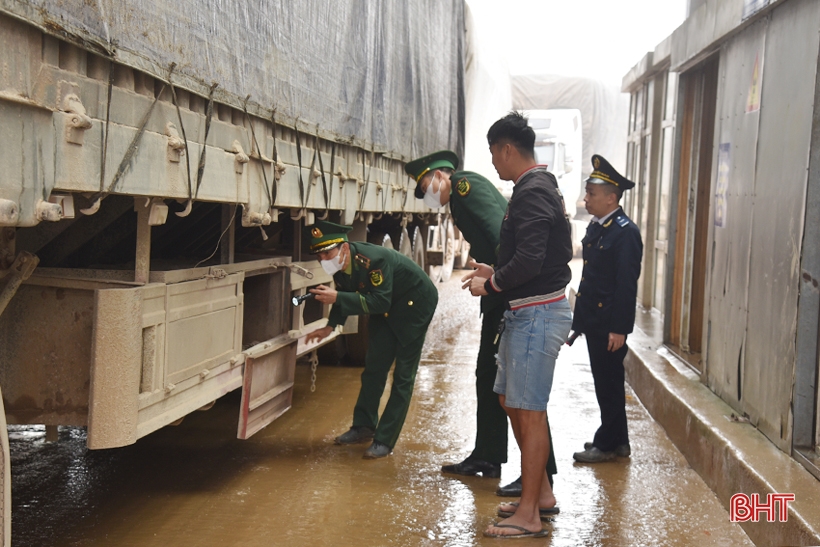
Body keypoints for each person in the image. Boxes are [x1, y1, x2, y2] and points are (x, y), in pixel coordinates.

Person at [405, 150, 559, 496]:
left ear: (441, 176)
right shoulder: (459, 198)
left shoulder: (464, 188)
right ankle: (488, 456)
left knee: (521, 391)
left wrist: (501, 285)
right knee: (489, 376)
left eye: (427, 185)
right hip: (499, 294)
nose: (427, 194)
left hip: (507, 294)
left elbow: (504, 238)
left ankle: (539, 476)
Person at [464, 112, 572, 539]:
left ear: (508, 149)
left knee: (528, 411)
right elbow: (534, 255)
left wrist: (492, 282)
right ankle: (539, 494)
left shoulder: (532, 191)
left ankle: (528, 514)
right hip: (527, 309)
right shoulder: (532, 188)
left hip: (537, 313)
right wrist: (496, 270)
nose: (492, 161)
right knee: (512, 400)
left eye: (493, 152)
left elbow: (530, 260)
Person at [305, 220, 438, 459]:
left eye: (327, 252)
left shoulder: (372, 260)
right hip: (385, 305)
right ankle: (363, 426)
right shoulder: (341, 266)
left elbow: (377, 301)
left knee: (402, 376)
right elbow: (346, 295)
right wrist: (331, 326)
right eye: (319, 255)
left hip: (414, 305)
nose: (323, 259)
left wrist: (337, 297)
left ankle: (385, 440)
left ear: (344, 248)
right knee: (374, 367)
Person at [570, 155, 643, 463]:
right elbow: (590, 279)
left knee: (609, 383)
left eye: (592, 195)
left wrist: (619, 329)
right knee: (605, 381)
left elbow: (626, 286)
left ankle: (607, 443)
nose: (586, 199)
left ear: (611, 198)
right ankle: (620, 441)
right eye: (586, 193)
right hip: (596, 321)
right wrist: (580, 322)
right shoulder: (600, 227)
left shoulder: (625, 232)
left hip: (609, 324)